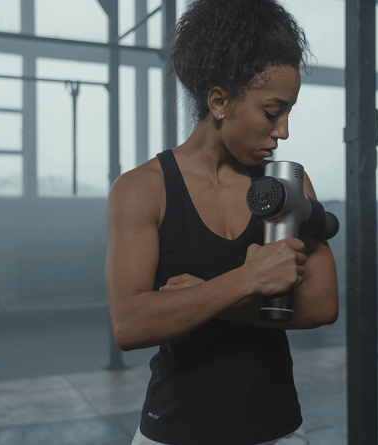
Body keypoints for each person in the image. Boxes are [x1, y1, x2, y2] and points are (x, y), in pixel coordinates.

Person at [105, 0, 339, 443]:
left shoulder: (286, 183)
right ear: (220, 101)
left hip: (277, 430)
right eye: (272, 112)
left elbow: (323, 305)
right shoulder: (143, 189)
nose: (284, 130)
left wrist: (198, 301)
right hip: (172, 431)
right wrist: (247, 281)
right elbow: (130, 324)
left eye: (289, 112)